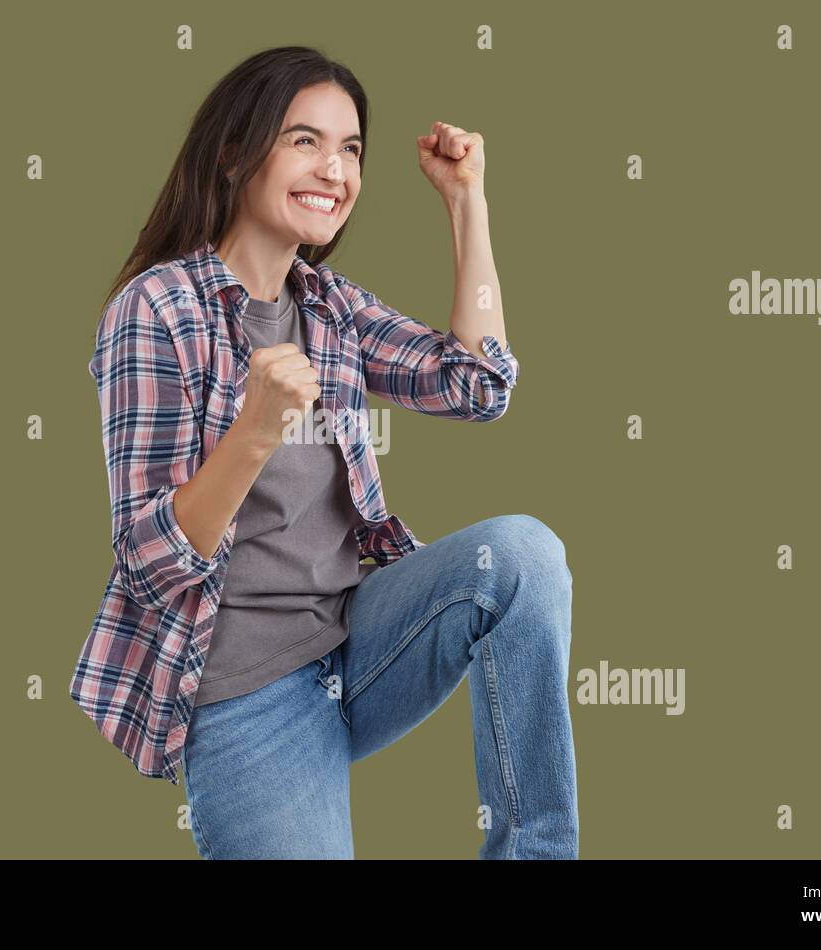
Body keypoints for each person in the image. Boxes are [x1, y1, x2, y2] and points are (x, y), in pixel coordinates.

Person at [70, 45, 578, 859]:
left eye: (350, 150)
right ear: (235, 153)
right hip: (244, 695)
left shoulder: (329, 306)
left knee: (521, 557)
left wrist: (467, 203)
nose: (335, 169)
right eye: (305, 141)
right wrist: (256, 430)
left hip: (357, 641)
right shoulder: (156, 309)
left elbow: (478, 385)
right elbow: (147, 559)